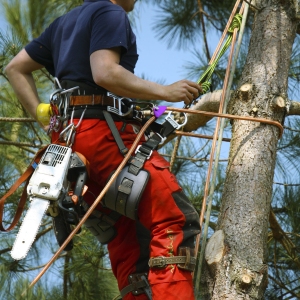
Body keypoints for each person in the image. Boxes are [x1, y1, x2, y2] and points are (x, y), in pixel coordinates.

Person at [5, 0, 201, 299]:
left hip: (70, 143)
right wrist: (166, 92)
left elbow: (15, 68)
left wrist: (45, 117)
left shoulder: (64, 23)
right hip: (101, 136)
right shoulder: (110, 13)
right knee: (174, 219)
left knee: (127, 237)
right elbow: (105, 73)